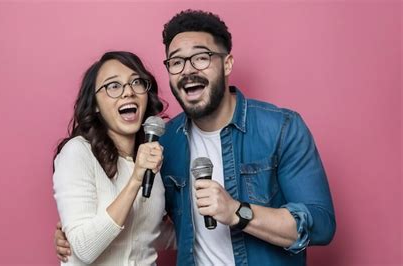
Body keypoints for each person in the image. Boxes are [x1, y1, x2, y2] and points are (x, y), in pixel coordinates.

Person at [55, 10, 336, 266]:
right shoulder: (164, 144)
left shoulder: (281, 129)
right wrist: (77, 231)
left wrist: (238, 212)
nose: (188, 70)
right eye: (176, 62)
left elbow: (321, 225)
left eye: (201, 57)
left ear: (227, 64)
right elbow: (163, 225)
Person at [53, 51, 168, 265]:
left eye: (136, 82)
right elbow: (84, 249)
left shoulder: (153, 160)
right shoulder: (77, 153)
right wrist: (135, 180)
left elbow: (149, 234)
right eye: (113, 86)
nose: (128, 92)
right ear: (95, 104)